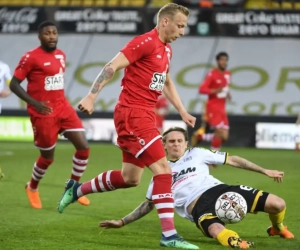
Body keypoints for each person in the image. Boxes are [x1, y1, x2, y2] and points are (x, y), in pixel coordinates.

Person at [57, 3, 198, 249]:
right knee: (164, 171)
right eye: (180, 25)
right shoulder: (144, 42)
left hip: (143, 115)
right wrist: (91, 95)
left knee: (130, 178)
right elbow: (110, 66)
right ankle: (170, 236)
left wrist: (182, 110)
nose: (183, 32)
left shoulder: (166, 50)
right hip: (133, 115)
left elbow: (165, 81)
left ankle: (76, 190)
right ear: (165, 21)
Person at [99, 127, 294, 249]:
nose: (176, 144)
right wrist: (122, 222)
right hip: (198, 207)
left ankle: (277, 228)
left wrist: (264, 170)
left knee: (278, 204)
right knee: (217, 230)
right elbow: (147, 205)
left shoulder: (198, 153)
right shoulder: (160, 175)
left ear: (186, 143)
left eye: (179, 141)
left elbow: (233, 159)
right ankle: (235, 243)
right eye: (171, 141)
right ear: (164, 146)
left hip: (221, 190)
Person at [9, 21, 90, 209]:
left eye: (54, 33)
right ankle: (32, 187)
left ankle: (72, 189)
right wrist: (35, 103)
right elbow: (14, 84)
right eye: (47, 33)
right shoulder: (30, 57)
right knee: (47, 158)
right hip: (43, 113)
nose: (52, 36)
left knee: (84, 147)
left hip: (63, 108)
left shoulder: (61, 55)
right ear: (40, 36)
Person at [191, 52, 231, 150]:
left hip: (222, 109)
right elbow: (201, 89)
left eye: (225, 60)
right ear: (217, 61)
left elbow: (224, 87)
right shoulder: (212, 74)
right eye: (221, 60)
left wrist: (228, 93)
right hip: (213, 107)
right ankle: (213, 159)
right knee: (219, 132)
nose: (224, 62)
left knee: (224, 137)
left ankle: (200, 136)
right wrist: (214, 90)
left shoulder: (228, 74)